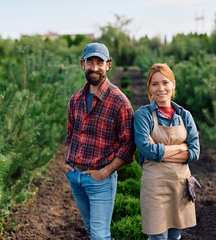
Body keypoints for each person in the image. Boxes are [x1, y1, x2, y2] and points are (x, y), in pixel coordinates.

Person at [61, 42, 136, 240]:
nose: (94, 67)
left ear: (108, 65)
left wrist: (105, 172)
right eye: (90, 62)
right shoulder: (75, 99)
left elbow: (128, 145)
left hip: (100, 179)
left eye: (99, 62)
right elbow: (71, 134)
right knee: (89, 228)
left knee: (100, 236)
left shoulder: (120, 101)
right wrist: (64, 162)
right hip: (75, 175)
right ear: (82, 64)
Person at [134, 63, 200, 240]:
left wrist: (160, 150)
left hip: (179, 184)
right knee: (158, 237)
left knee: (175, 235)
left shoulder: (184, 115)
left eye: (165, 82)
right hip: (155, 186)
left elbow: (194, 152)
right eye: (154, 84)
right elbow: (147, 150)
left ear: (173, 84)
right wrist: (180, 147)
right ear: (149, 87)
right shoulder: (143, 115)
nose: (160, 88)